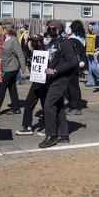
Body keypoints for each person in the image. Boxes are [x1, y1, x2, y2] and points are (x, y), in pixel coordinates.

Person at [39, 20, 78, 148]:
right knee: (58, 106)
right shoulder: (50, 43)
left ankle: (51, 136)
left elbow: (73, 62)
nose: (50, 30)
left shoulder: (64, 43)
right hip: (51, 79)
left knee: (48, 104)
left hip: (61, 79)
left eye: (53, 28)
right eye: (49, 28)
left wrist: (55, 70)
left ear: (59, 30)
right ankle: (63, 134)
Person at [0, 24, 29, 115]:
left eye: (2, 29)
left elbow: (20, 55)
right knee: (12, 88)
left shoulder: (14, 40)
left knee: (1, 87)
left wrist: (23, 70)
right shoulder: (5, 39)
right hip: (6, 67)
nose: (1, 30)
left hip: (12, 68)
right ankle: (16, 108)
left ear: (7, 30)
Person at [65, 20, 87, 115]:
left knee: (69, 86)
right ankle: (74, 105)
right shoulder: (83, 38)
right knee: (74, 85)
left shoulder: (71, 39)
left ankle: (75, 105)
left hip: (71, 64)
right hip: (79, 64)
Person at [85, 22, 99, 87]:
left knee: (94, 68)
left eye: (91, 27)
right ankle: (91, 81)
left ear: (95, 28)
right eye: (89, 26)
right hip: (89, 54)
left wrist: (97, 50)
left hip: (96, 55)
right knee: (90, 69)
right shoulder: (88, 36)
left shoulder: (97, 37)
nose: (89, 28)